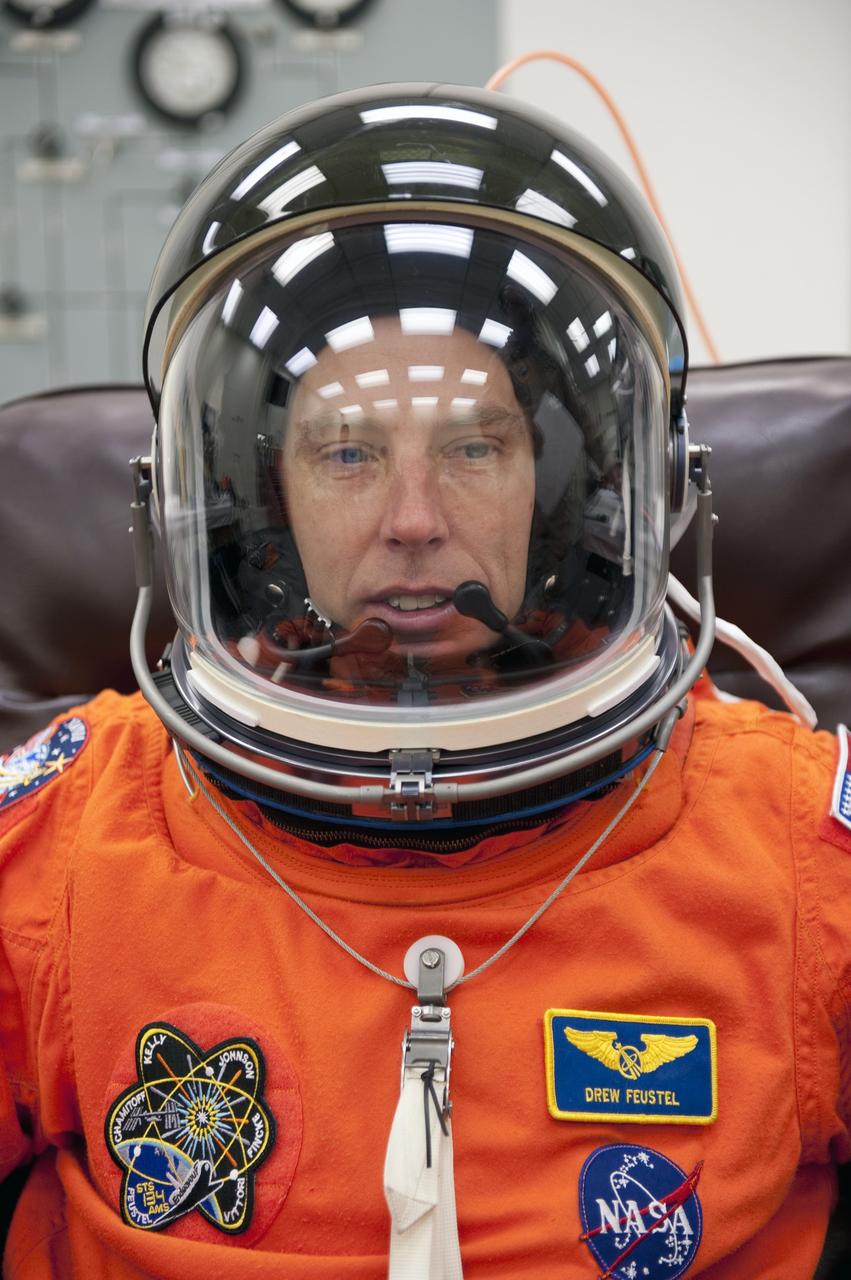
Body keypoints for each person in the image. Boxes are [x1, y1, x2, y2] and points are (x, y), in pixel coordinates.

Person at [1, 81, 849, 1280]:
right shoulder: (70, 849)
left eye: (470, 445)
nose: (412, 520)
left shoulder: (792, 850)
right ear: (255, 495)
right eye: (348, 451)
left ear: (572, 489)